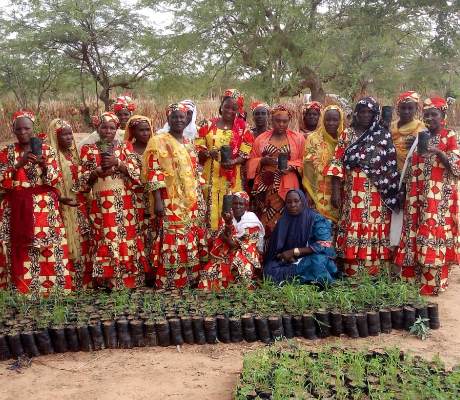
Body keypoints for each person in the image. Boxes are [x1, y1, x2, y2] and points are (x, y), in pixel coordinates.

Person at [0, 110, 73, 295]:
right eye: (19, 129)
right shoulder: (6, 153)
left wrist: (43, 164)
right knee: (19, 247)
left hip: (44, 208)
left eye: (27, 128)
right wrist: (18, 164)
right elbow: (2, 180)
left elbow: (55, 179)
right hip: (16, 207)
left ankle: (53, 290)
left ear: (33, 129)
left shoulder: (46, 150)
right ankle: (23, 290)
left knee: (48, 247)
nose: (23, 132)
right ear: (13, 130)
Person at [326, 97, 400, 277]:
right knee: (354, 223)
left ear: (375, 114)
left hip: (378, 192)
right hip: (352, 191)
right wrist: (335, 191)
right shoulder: (347, 134)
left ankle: (375, 273)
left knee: (375, 225)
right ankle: (352, 271)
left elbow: (390, 164)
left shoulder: (382, 134)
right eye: (362, 111)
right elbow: (337, 162)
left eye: (370, 112)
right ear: (356, 114)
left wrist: (391, 190)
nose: (366, 115)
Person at [395, 97, 459, 295]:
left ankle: (433, 284)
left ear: (443, 117)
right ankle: (411, 281)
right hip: (416, 196)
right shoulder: (419, 137)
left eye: (434, 114)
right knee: (414, 233)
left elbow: (456, 168)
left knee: (434, 234)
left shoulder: (450, 136)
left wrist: (437, 152)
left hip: (438, 199)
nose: (430, 118)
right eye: (427, 114)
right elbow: (409, 166)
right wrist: (403, 190)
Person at [76, 112, 147, 289]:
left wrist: (119, 163)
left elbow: (138, 176)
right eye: (103, 127)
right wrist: (95, 172)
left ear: (117, 129)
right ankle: (107, 280)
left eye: (111, 128)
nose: (107, 131)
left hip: (124, 202)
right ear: (97, 128)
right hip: (100, 203)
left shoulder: (125, 147)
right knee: (104, 237)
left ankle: (129, 279)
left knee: (126, 236)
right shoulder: (88, 150)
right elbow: (81, 180)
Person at [144, 103, 208, 289]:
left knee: (190, 236)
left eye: (182, 117)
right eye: (175, 117)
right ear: (168, 119)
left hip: (191, 200)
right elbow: (154, 172)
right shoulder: (159, 141)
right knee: (173, 236)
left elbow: (195, 173)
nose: (179, 120)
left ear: (187, 118)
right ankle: (171, 280)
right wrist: (158, 201)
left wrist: (200, 198)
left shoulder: (189, 143)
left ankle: (190, 278)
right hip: (169, 199)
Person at [196, 89, 253, 232]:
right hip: (210, 177)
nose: (229, 110)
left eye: (234, 108)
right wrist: (209, 153)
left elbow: (246, 154)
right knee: (210, 209)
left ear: (238, 110)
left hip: (232, 178)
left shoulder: (244, 128)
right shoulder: (206, 125)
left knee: (230, 207)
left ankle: (229, 241)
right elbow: (197, 150)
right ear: (221, 106)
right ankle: (210, 245)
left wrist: (233, 162)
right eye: (227, 106)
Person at [47, 119, 93, 290]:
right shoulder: (52, 158)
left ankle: (85, 283)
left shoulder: (75, 155)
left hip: (79, 204)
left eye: (69, 134)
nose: (68, 137)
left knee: (83, 241)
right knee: (67, 242)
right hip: (63, 207)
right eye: (63, 134)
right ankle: (70, 283)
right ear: (54, 136)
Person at [247, 104, 305, 239]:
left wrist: (290, 166)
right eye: (277, 121)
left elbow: (304, 161)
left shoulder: (298, 138)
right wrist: (262, 161)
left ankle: (286, 251)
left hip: (288, 184)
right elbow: (251, 161)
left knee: (288, 214)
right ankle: (267, 252)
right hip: (266, 185)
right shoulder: (261, 139)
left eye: (285, 121)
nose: (281, 124)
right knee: (267, 216)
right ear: (271, 120)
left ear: (289, 121)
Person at [264, 190, 337, 285]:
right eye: (289, 202)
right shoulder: (283, 221)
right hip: (290, 262)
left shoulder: (315, 218)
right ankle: (305, 279)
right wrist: (284, 256)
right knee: (269, 269)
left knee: (318, 262)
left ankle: (294, 279)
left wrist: (294, 251)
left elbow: (324, 244)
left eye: (296, 201)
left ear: (302, 201)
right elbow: (275, 249)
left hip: (310, 258)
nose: (293, 205)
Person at [198, 191, 264, 290]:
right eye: (235, 203)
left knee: (240, 267)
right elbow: (220, 237)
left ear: (246, 206)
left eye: (241, 204)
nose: (237, 206)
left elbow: (242, 244)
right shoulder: (227, 217)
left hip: (247, 252)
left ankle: (240, 292)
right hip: (226, 251)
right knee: (210, 270)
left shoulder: (252, 221)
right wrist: (228, 224)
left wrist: (227, 235)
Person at [303, 105, 345, 223]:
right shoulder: (313, 139)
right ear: (322, 120)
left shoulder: (344, 140)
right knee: (320, 226)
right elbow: (308, 166)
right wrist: (309, 192)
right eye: (328, 119)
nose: (331, 123)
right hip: (318, 191)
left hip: (340, 190)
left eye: (335, 120)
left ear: (340, 121)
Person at [124, 115, 154, 280]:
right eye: (141, 130)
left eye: (147, 129)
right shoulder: (127, 149)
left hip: (153, 196)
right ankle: (139, 270)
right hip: (135, 197)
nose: (145, 133)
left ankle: (152, 268)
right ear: (133, 131)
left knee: (153, 230)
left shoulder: (155, 148)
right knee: (138, 231)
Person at [391, 91, 425, 171]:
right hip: (391, 172)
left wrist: (417, 145)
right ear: (398, 108)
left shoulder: (421, 128)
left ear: (416, 109)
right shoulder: (391, 127)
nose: (406, 111)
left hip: (412, 173)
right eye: (403, 108)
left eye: (410, 108)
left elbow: (426, 152)